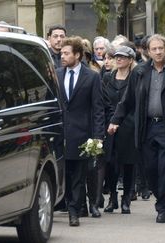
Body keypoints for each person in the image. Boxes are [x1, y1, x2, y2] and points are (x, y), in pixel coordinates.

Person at [108, 34, 165, 223]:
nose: (157, 52)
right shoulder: (139, 72)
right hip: (146, 127)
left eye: (160, 48)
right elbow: (127, 99)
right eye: (153, 49)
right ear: (148, 51)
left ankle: (163, 208)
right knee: (150, 169)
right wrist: (116, 120)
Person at [56, 36, 104, 226]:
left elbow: (98, 108)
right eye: (61, 53)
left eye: (66, 53)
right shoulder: (57, 74)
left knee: (77, 175)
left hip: (82, 134)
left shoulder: (91, 77)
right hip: (60, 134)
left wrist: (98, 137)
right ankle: (69, 204)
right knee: (64, 174)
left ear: (77, 55)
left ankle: (74, 211)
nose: (62, 56)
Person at [102, 46, 139, 214]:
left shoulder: (136, 78)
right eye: (117, 56)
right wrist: (112, 119)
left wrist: (124, 121)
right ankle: (113, 198)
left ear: (131, 60)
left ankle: (126, 199)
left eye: (123, 57)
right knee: (110, 163)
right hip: (109, 126)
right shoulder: (107, 78)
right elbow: (103, 101)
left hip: (129, 125)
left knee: (129, 163)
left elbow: (136, 103)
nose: (118, 59)